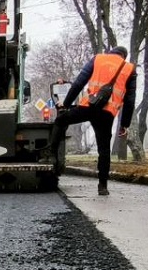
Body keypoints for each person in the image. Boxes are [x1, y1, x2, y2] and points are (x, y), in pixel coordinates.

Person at [50, 45, 137, 196]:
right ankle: (102, 186)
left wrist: (66, 104)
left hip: (88, 106)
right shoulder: (129, 68)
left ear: (111, 52)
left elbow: (79, 83)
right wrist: (124, 125)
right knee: (104, 150)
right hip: (107, 113)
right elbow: (130, 100)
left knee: (61, 121)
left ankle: (52, 155)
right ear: (124, 56)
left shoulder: (98, 59)